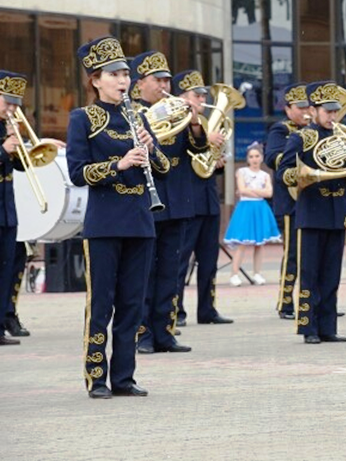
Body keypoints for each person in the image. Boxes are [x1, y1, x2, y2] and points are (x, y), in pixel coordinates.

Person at [66, 36, 171, 396]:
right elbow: (78, 173)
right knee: (101, 304)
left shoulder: (139, 116)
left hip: (141, 221)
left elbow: (165, 168)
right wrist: (120, 163)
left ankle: (124, 378)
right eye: (114, 74)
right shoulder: (83, 118)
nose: (123, 80)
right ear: (95, 79)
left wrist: (151, 148)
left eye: (125, 73)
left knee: (131, 304)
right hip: (105, 223)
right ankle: (96, 377)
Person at [278, 81, 346, 344]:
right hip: (311, 212)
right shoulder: (301, 137)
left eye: (335, 111)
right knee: (310, 272)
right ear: (313, 111)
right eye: (327, 111)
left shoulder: (344, 134)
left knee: (331, 273)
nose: (333, 116)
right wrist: (311, 173)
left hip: (337, 212)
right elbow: (284, 174)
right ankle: (308, 327)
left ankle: (328, 327)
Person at [132, 51, 206, 355]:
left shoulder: (176, 108)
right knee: (146, 270)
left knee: (172, 270)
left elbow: (197, 147)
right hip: (149, 199)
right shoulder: (133, 112)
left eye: (166, 79)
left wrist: (195, 121)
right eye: (158, 79)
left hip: (178, 197)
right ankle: (143, 333)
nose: (165, 85)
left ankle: (165, 331)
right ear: (141, 83)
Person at [173, 71, 233, 326]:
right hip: (186, 199)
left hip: (208, 198)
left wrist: (217, 160)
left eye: (202, 95)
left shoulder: (206, 122)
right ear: (182, 97)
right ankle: (176, 310)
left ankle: (207, 309)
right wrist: (204, 140)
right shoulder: (175, 122)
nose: (202, 99)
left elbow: (207, 163)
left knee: (209, 259)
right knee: (179, 260)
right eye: (196, 95)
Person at [265, 83, 311, 320]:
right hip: (289, 200)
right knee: (293, 253)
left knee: (312, 255)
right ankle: (285, 302)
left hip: (312, 200)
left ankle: (313, 300)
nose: (306, 111)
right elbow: (273, 157)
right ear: (288, 108)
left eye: (308, 106)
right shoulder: (280, 130)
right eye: (300, 107)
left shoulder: (316, 129)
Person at [224, 142, 280, 285]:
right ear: (247, 158)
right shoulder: (242, 172)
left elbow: (269, 193)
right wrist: (256, 192)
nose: (254, 159)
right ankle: (234, 274)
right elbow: (242, 190)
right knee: (242, 242)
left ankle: (257, 273)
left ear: (261, 157)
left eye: (257, 156)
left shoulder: (265, 175)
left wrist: (251, 191)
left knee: (259, 243)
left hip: (260, 208)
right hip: (246, 208)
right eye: (251, 156)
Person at [0, 70, 26, 346]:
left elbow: (22, 166)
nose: (12, 109)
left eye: (15, 103)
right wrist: (3, 149)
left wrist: (18, 147)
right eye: (7, 102)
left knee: (6, 269)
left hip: (7, 210)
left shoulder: (8, 127)